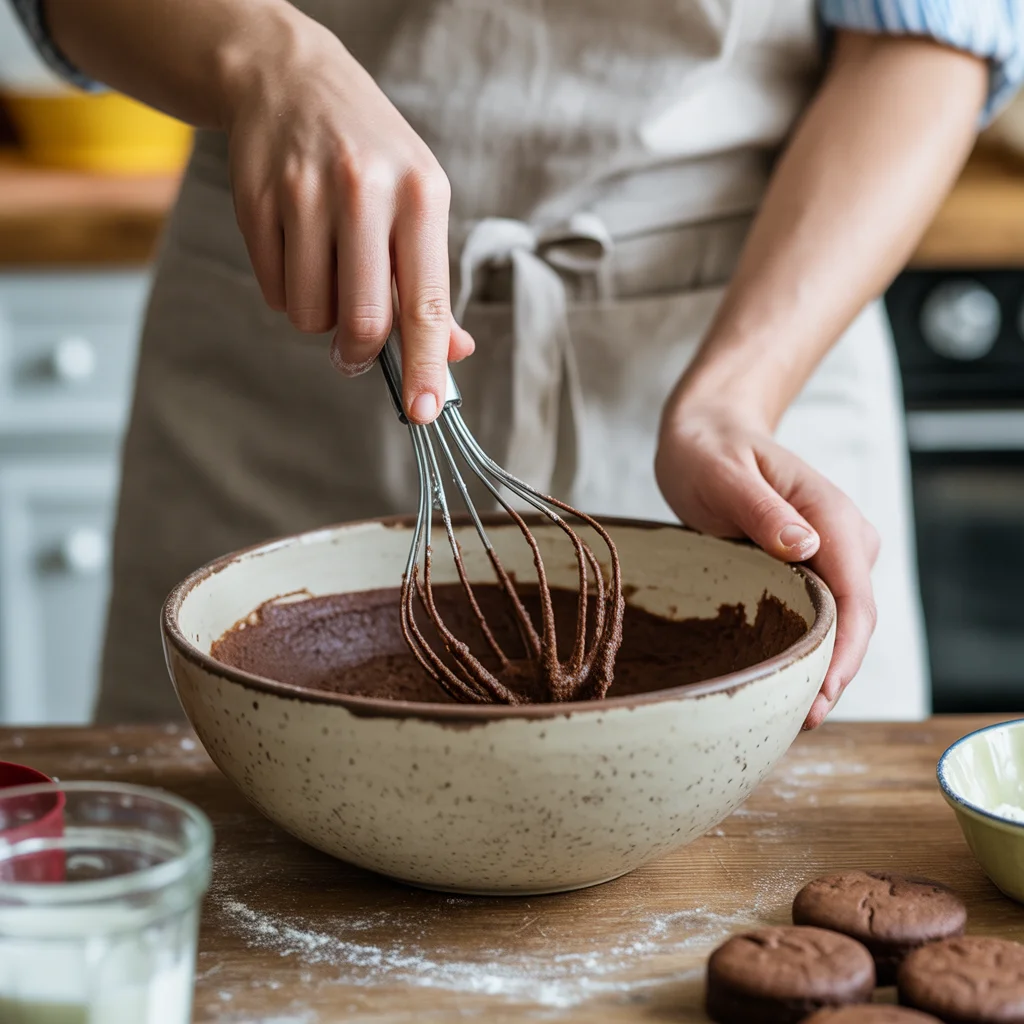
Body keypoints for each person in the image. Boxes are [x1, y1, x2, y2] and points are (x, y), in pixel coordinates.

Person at [13, 0, 1021, 726]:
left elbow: (933, 33)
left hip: (750, 329)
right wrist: (267, 58)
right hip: (290, 327)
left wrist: (733, 397)